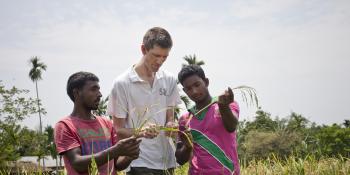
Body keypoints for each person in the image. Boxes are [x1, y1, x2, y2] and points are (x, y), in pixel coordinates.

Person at [107, 27, 181, 175]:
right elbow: (118, 130)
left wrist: (171, 126)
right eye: (156, 55)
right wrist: (141, 132)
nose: (160, 61)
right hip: (138, 161)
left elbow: (170, 118)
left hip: (167, 161)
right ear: (143, 49)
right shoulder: (122, 83)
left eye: (165, 57)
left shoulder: (170, 80)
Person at [54, 71, 141, 175]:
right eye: (93, 89)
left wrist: (129, 155)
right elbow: (78, 164)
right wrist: (115, 151)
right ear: (77, 93)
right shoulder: (65, 126)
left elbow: (117, 165)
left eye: (99, 90)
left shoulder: (107, 123)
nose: (99, 94)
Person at [176, 65, 240, 175]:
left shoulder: (226, 104)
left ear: (206, 82)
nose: (194, 91)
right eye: (189, 88)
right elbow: (180, 160)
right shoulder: (185, 120)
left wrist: (223, 106)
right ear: (184, 91)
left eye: (197, 85)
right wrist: (187, 146)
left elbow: (231, 127)